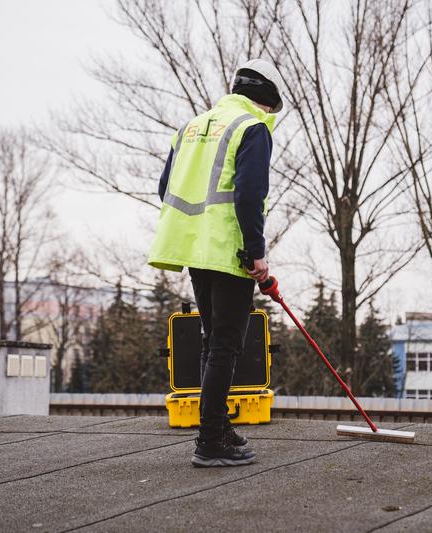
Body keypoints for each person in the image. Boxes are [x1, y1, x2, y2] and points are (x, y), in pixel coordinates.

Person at [147, 59, 283, 467]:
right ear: (266, 98)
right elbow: (248, 196)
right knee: (225, 343)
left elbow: (163, 188)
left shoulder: (190, 128)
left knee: (213, 340)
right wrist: (255, 252)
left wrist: (200, 229)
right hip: (228, 251)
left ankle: (218, 425)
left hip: (195, 250)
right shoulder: (251, 128)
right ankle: (210, 442)